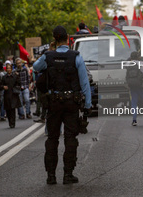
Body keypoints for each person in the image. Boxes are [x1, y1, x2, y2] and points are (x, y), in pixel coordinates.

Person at [33, 25, 92, 185]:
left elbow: (35, 67)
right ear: (68, 39)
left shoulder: (47, 56)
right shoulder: (76, 56)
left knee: (52, 138)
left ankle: (51, 176)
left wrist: (49, 52)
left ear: (54, 39)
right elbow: (84, 82)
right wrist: (87, 104)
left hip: (53, 103)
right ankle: (68, 175)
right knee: (70, 138)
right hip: (71, 103)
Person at [125, 51, 143, 126]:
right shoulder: (142, 64)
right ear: (138, 57)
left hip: (132, 86)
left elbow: (127, 76)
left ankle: (134, 120)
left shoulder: (128, 64)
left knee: (134, 103)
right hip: (141, 87)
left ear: (131, 57)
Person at [1, 63, 22, 128]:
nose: (8, 69)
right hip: (7, 95)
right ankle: (10, 122)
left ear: (11, 69)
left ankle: (13, 123)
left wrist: (18, 76)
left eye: (9, 68)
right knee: (8, 110)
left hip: (13, 94)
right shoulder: (4, 77)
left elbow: (19, 83)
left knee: (13, 109)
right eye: (7, 68)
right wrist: (3, 87)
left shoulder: (15, 76)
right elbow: (0, 85)